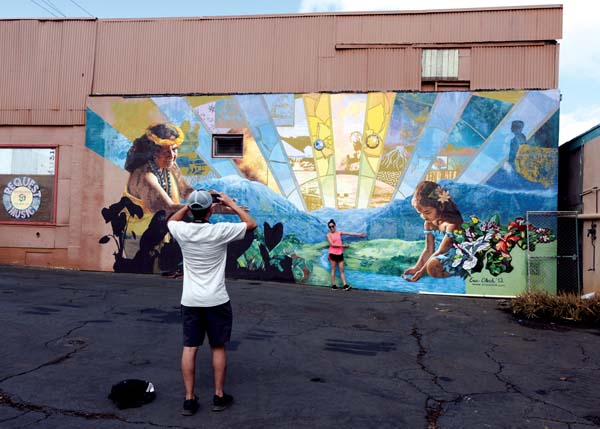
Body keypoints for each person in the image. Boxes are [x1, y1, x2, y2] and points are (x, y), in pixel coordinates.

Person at [168, 190, 257, 415]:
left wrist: (189, 204)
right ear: (211, 210)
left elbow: (171, 220)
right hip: (217, 300)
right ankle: (218, 396)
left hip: (190, 300)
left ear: (192, 210)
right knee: (217, 347)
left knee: (190, 347)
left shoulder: (182, 230)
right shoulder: (220, 231)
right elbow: (251, 224)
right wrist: (229, 204)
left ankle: (189, 399)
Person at [403, 181, 464, 282]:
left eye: (427, 212)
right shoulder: (428, 224)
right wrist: (417, 268)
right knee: (432, 263)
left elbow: (441, 251)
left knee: (432, 266)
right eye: (420, 213)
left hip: (453, 257)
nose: (423, 216)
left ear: (440, 206)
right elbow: (428, 249)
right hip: (437, 256)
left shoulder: (451, 225)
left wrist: (421, 272)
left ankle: (458, 271)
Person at [326, 219, 366, 290]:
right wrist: (343, 246)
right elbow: (332, 244)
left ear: (335, 225)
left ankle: (345, 285)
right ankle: (333, 285)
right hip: (333, 254)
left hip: (340, 253)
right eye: (330, 227)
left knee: (342, 270)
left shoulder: (339, 232)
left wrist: (359, 234)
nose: (331, 228)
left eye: (332, 226)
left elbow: (349, 233)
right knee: (333, 270)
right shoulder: (328, 235)